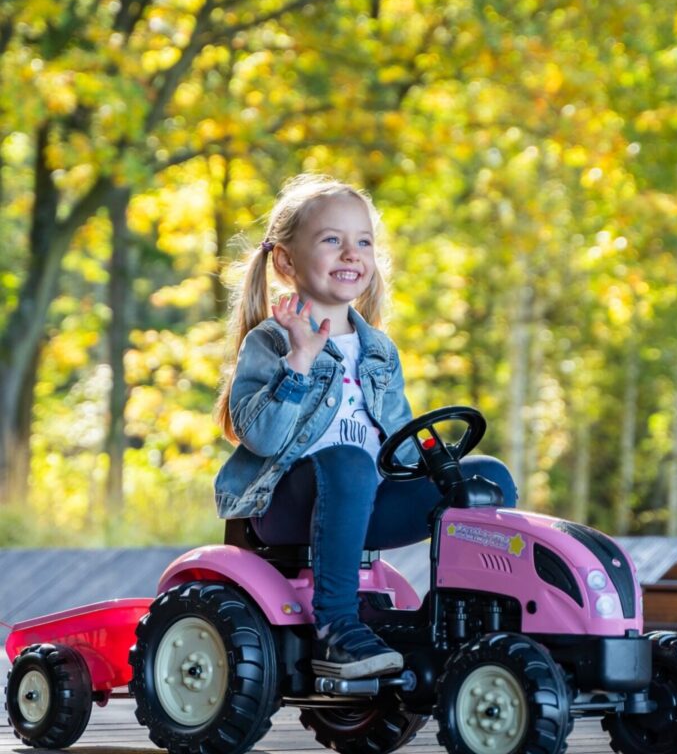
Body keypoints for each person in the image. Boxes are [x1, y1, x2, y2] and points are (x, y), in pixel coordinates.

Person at [214, 174, 517, 679]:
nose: (351, 253)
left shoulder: (379, 349)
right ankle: (336, 626)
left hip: (364, 502)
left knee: (486, 479)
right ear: (286, 262)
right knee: (349, 462)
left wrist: (433, 466)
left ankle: (461, 623)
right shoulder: (271, 341)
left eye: (364, 242)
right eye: (332, 240)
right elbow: (262, 438)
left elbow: (397, 443)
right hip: (284, 509)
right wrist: (299, 364)